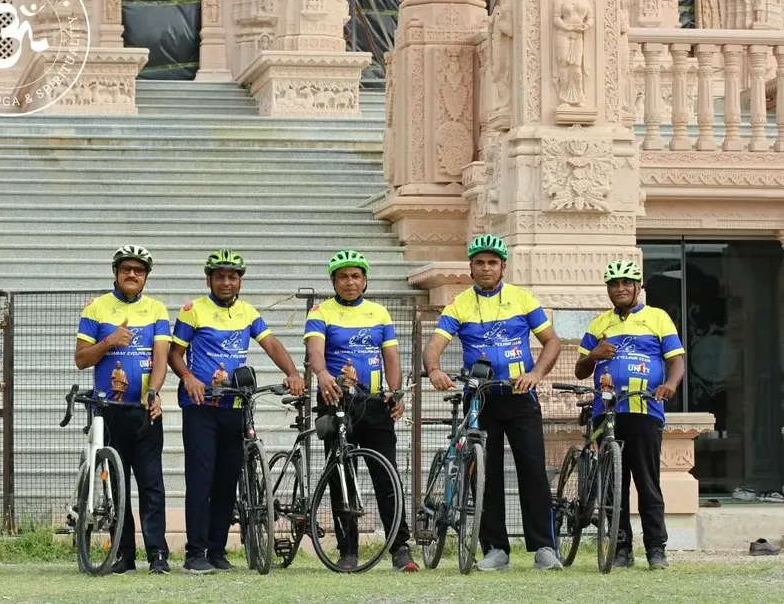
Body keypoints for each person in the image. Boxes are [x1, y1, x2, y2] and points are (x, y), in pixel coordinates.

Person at [423, 234, 564, 571]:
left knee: (533, 473)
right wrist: (434, 369)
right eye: (479, 262)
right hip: (481, 401)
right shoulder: (459, 304)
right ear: (470, 267)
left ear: (503, 266)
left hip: (520, 398)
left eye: (492, 262)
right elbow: (434, 344)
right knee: (485, 476)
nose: (486, 268)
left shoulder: (522, 298)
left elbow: (551, 342)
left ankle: (545, 548)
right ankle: (495, 550)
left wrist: (536, 374)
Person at [169, 250, 305, 574]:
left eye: (232, 276)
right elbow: (175, 355)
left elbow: (271, 344)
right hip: (201, 407)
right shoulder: (193, 311)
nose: (226, 282)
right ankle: (194, 553)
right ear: (209, 280)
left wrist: (293, 372)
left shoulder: (248, 312)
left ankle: (217, 551)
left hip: (235, 406)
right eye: (220, 276)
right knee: (201, 480)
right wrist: (187, 377)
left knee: (227, 482)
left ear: (240, 281)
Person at [305, 249, 420, 573]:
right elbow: (315, 352)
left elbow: (392, 358)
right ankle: (348, 550)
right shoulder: (320, 312)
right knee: (341, 478)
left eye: (356, 276)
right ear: (334, 281)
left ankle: (400, 548)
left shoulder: (379, 313)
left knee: (387, 476)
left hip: (373, 404)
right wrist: (324, 375)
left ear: (365, 280)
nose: (350, 281)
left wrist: (395, 392)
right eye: (343, 276)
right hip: (336, 403)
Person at [574, 260, 685, 570]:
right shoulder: (599, 324)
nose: (619, 288)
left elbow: (676, 361)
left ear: (639, 287)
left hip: (645, 409)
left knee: (647, 482)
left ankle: (656, 549)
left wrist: (670, 385)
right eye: (614, 284)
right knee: (612, 485)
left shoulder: (658, 318)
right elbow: (580, 370)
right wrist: (594, 354)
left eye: (626, 283)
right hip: (606, 411)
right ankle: (621, 548)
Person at [74, 245, 171, 575]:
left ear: (146, 277)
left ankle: (158, 554)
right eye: (126, 269)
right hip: (109, 410)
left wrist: (155, 392)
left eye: (139, 270)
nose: (132, 274)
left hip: (144, 410)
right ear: (115, 272)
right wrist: (109, 342)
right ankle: (125, 555)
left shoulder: (157, 309)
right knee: (118, 487)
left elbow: (160, 359)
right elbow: (81, 359)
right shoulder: (97, 308)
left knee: (152, 485)